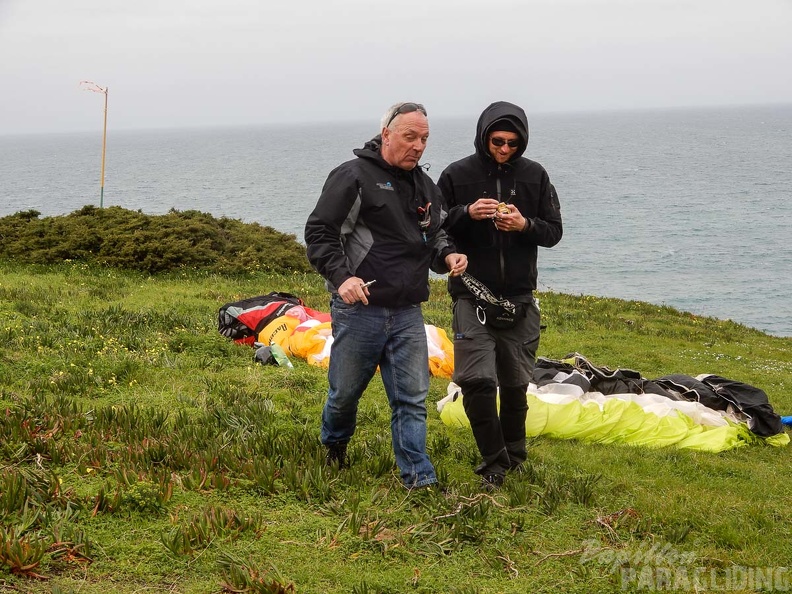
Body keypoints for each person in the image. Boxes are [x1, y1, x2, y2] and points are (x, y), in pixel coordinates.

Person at [304, 102, 468, 490]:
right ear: (386, 134)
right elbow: (320, 232)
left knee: (411, 399)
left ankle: (418, 478)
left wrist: (448, 255)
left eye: (424, 138)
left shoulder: (425, 187)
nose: (418, 146)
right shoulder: (353, 176)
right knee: (345, 394)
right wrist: (342, 278)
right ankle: (333, 446)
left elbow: (436, 234)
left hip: (408, 311)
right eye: (410, 136)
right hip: (360, 310)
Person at [437, 101, 562, 489]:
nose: (504, 149)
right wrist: (466, 213)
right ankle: (493, 461)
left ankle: (514, 455)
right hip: (471, 296)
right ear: (483, 136)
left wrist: (525, 224)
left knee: (514, 384)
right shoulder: (456, 175)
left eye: (512, 143)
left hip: (520, 300)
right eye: (496, 141)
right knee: (476, 380)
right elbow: (434, 229)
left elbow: (553, 231)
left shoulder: (535, 176)